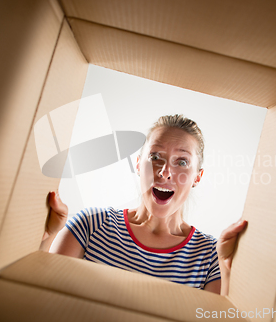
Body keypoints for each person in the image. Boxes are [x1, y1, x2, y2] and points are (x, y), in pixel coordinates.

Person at [40, 114, 247, 295]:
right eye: (155, 157)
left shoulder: (210, 256)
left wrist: (228, 270)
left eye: (182, 162)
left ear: (197, 177)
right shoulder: (90, 225)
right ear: (139, 164)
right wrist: (45, 237)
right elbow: (40, 298)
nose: (165, 172)